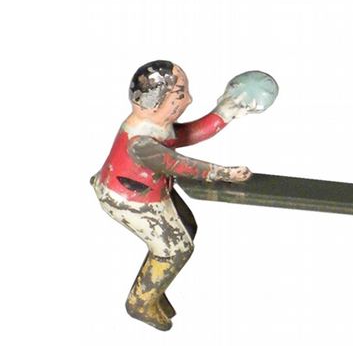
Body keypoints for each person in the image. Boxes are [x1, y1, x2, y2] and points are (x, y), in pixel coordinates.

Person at [90, 60, 266, 330]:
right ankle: (140, 302)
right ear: (152, 104)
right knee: (176, 248)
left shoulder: (155, 126)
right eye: (180, 95)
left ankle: (155, 283)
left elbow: (189, 134)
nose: (189, 100)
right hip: (128, 200)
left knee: (187, 226)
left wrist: (226, 111)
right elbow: (182, 165)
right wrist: (224, 173)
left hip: (150, 192)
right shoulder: (141, 142)